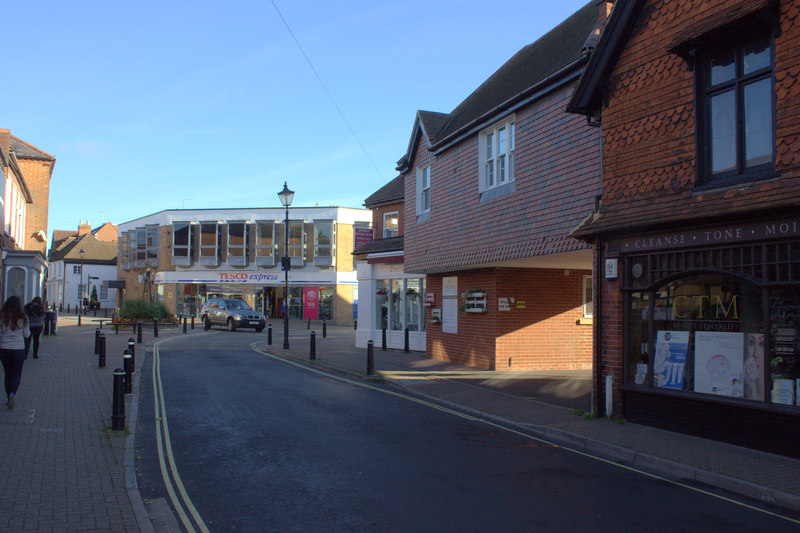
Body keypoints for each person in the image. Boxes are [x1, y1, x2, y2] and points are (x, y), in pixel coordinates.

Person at [0, 295, 31, 409]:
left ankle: (9, 396)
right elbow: (27, 334)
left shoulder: (2, 316)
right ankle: (12, 393)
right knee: (16, 374)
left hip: (4, 349)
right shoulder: (23, 317)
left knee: (7, 374)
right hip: (18, 349)